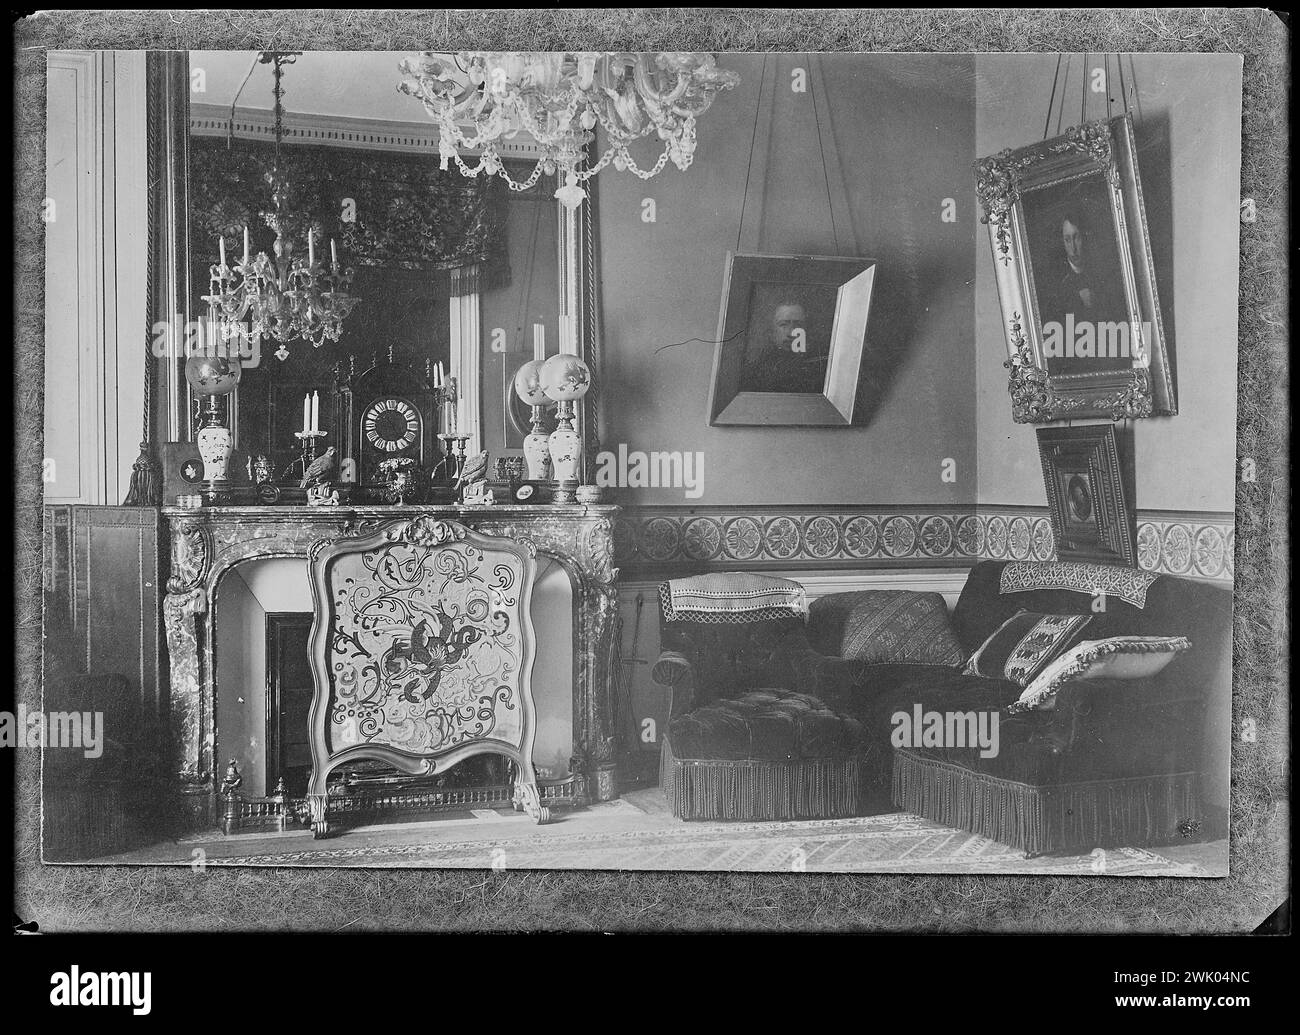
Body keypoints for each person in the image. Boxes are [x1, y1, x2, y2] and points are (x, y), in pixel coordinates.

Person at [1041, 209, 1127, 333]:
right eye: (1067, 240)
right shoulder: (1056, 281)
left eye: (1076, 238)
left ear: (1085, 237)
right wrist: (1077, 301)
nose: (1073, 248)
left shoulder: (1102, 273)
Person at [738, 299, 828, 393]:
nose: (791, 332)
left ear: (806, 329)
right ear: (772, 329)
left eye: (798, 324)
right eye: (783, 324)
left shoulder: (820, 367)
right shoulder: (756, 370)